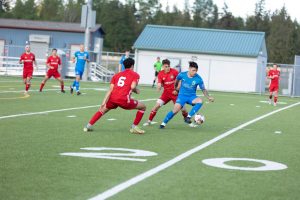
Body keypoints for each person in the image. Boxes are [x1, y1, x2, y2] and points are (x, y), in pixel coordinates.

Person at [84, 57, 147, 134]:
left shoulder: (117, 75)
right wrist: (136, 90)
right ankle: (134, 127)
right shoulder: (135, 74)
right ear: (132, 66)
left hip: (112, 98)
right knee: (143, 107)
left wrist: (103, 102)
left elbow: (110, 89)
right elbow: (133, 86)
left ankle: (88, 126)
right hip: (124, 100)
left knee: (102, 110)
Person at [160, 61, 214, 129]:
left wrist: (208, 97)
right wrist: (176, 90)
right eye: (193, 70)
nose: (195, 72)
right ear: (189, 69)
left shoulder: (198, 79)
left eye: (196, 71)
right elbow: (176, 81)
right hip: (182, 96)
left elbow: (203, 89)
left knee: (200, 101)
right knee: (175, 110)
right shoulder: (182, 74)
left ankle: (188, 117)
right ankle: (163, 124)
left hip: (192, 97)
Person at [143, 59, 188, 126]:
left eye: (168, 66)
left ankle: (186, 120)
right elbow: (159, 83)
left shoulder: (174, 72)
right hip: (166, 94)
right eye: (166, 66)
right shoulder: (160, 73)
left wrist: (177, 90)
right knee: (156, 106)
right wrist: (158, 86)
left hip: (175, 94)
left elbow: (181, 81)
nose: (168, 68)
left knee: (183, 109)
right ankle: (149, 121)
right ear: (163, 67)